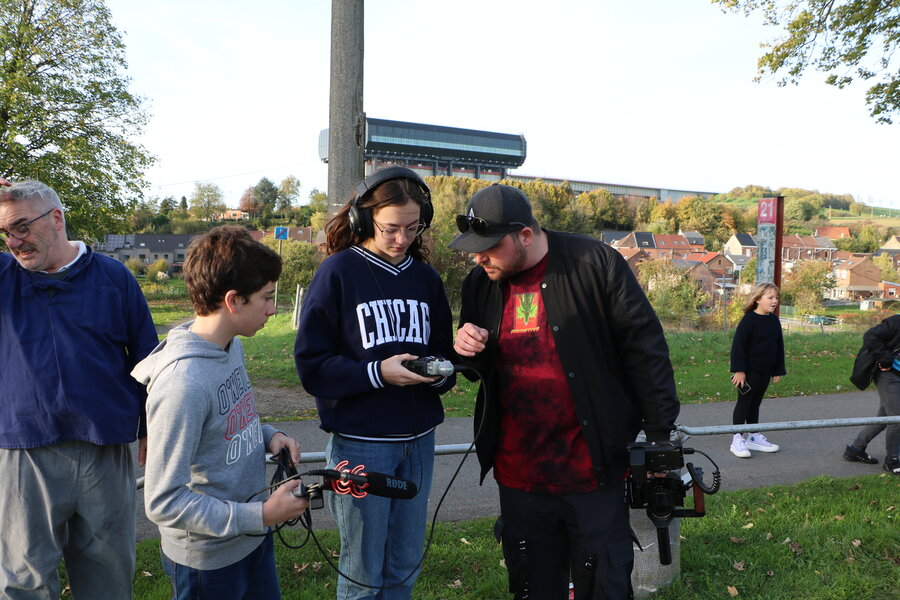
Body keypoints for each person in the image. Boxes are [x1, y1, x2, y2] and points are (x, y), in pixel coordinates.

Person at [451, 184, 680, 600]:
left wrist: (660, 432)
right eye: (473, 248)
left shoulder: (594, 263)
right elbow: (478, 372)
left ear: (524, 234)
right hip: (518, 474)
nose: (477, 256)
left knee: (603, 585)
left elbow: (644, 347)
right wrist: (469, 349)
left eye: (489, 246)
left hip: (591, 470)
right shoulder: (479, 282)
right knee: (532, 586)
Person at [294, 166, 456, 600]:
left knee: (403, 566)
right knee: (363, 572)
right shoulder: (338, 273)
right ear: (363, 220)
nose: (402, 238)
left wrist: (442, 372)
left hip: (419, 439)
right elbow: (311, 365)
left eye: (412, 227)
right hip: (361, 442)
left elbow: (444, 350)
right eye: (391, 228)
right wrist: (377, 373)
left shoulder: (426, 279)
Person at [0, 180, 158, 599]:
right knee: (24, 582)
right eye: (5, 233)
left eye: (21, 227)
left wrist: (149, 426)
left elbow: (146, 358)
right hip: (24, 453)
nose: (14, 242)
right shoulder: (4, 277)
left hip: (103, 450)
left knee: (107, 578)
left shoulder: (112, 277)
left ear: (55, 219)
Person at [132, 226, 310, 599]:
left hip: (249, 538)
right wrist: (261, 515)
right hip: (207, 561)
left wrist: (269, 435)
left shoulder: (230, 347)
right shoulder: (183, 384)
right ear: (233, 301)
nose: (273, 308)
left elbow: (230, 421)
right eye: (266, 297)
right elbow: (163, 501)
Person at [728, 283, 786, 458]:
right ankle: (737, 438)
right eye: (770, 297)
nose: (774, 301)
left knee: (756, 403)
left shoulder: (774, 321)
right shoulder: (749, 320)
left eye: (776, 297)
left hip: (765, 370)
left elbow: (778, 346)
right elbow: (738, 347)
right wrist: (739, 370)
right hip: (748, 371)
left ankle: (753, 436)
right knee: (745, 402)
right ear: (758, 299)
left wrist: (778, 369)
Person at [842, 315, 900, 475]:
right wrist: (885, 358)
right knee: (897, 419)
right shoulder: (896, 322)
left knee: (884, 419)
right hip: (888, 376)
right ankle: (892, 460)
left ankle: (855, 449)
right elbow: (870, 336)